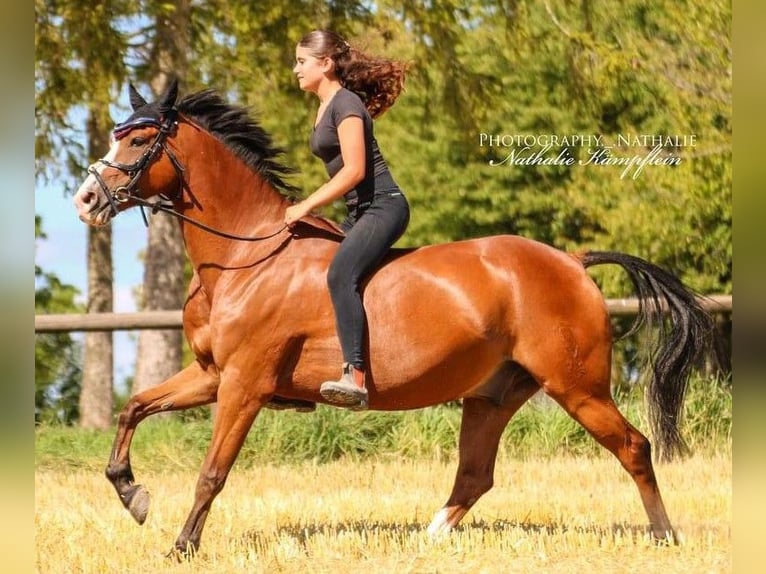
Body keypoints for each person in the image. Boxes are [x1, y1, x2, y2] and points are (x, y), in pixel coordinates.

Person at [284, 30, 410, 410]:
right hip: (358, 213)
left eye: (302, 61)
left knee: (340, 274)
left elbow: (354, 170)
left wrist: (306, 205)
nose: (295, 70)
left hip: (384, 207)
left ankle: (355, 377)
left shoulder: (346, 103)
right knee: (315, 272)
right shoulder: (325, 106)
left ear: (326, 64)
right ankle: (298, 384)